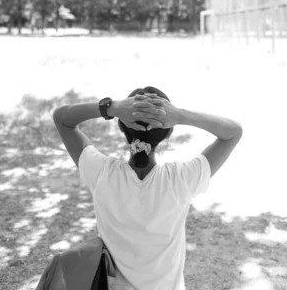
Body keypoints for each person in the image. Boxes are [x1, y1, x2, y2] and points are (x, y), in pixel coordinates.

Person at [53, 86, 243, 290]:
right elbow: (233, 132)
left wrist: (112, 108)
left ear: (121, 127)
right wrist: (180, 115)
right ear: (169, 131)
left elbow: (62, 118)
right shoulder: (182, 179)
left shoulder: (101, 172)